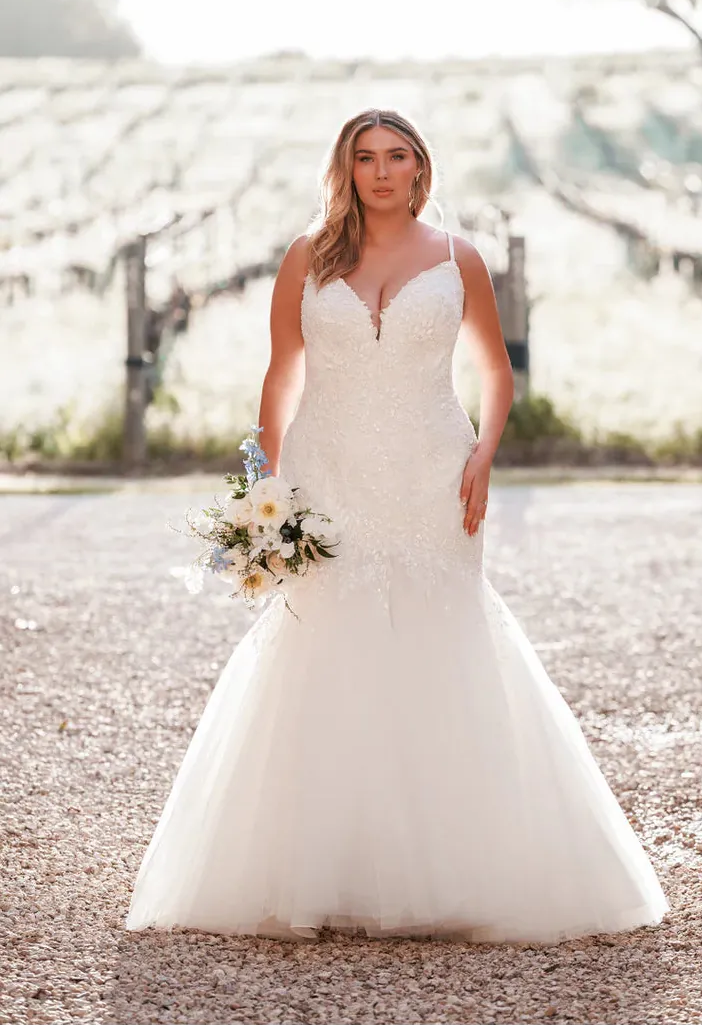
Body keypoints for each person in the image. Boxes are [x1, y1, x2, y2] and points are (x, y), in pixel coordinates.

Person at [124, 108, 670, 944]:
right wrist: (262, 484)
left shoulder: (461, 259)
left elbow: (494, 367)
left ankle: (458, 868)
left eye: (398, 156)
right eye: (366, 157)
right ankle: (315, 869)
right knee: (321, 639)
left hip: (432, 471)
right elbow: (281, 374)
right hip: (329, 466)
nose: (382, 172)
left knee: (439, 634)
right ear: (345, 168)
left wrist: (485, 452)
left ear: (421, 167)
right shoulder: (307, 258)